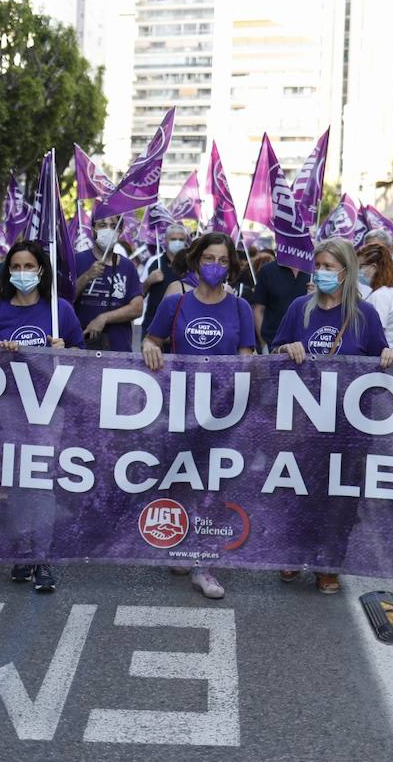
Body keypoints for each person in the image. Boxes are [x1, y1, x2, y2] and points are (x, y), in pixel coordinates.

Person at [271, 238, 393, 594]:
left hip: (349, 426)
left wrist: (388, 356)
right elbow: (274, 349)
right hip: (303, 422)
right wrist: (286, 347)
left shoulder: (365, 314)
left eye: (330, 267)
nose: (322, 273)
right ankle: (294, 553)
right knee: (298, 490)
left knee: (340, 498)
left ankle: (329, 563)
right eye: (320, 266)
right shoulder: (300, 308)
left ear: (346, 272)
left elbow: (380, 358)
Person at [144, 232, 257, 600]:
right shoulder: (174, 304)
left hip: (223, 411)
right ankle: (181, 543)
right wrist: (149, 350)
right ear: (196, 261)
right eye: (209, 258)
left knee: (213, 484)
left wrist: (243, 375)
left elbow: (246, 356)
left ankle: (204, 563)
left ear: (232, 267)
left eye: (223, 261)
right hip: (178, 407)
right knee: (179, 479)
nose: (215, 266)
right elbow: (151, 340)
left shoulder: (240, 307)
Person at [0, 239, 84, 594]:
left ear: (41, 270)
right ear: (8, 271)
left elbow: (83, 356)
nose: (23, 273)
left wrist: (64, 350)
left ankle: (42, 557)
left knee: (41, 481)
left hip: (49, 407)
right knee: (17, 482)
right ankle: (22, 549)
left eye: (29, 266)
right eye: (16, 267)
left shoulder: (61, 310)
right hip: (8, 406)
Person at [73, 214, 144, 352]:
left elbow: (137, 308)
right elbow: (65, 299)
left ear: (119, 231)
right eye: (102, 225)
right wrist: (87, 276)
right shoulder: (77, 261)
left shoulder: (128, 266)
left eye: (113, 226)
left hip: (118, 350)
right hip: (81, 347)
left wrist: (104, 318)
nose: (108, 230)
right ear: (93, 230)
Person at [252, 252, 310, 354]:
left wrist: (316, 294)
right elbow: (258, 309)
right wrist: (263, 344)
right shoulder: (268, 271)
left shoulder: (313, 272)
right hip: (272, 344)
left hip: (305, 346)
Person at [357, 241, 393, 356]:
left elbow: (374, 333)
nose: (358, 271)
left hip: (383, 359)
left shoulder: (381, 295)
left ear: (373, 267)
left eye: (360, 267)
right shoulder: (385, 292)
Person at [141, 224, 190, 331]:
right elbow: (139, 294)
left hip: (182, 326)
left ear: (186, 241)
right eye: (173, 239)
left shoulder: (191, 265)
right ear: (166, 240)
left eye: (181, 239)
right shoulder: (153, 262)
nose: (177, 242)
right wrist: (149, 281)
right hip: (153, 325)